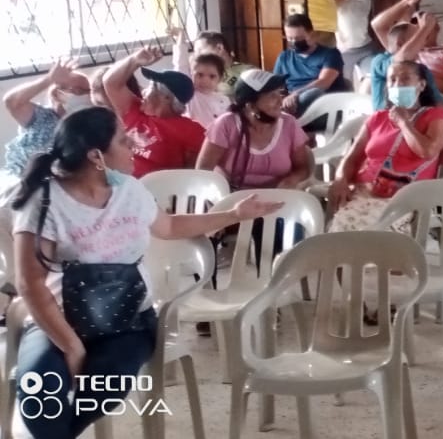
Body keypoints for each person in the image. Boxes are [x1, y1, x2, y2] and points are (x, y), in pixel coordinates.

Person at [7, 106, 280, 439]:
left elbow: (170, 226)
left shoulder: (130, 191)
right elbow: (30, 283)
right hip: (59, 320)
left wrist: (234, 214)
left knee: (104, 386)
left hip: (128, 321)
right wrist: (71, 346)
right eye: (124, 140)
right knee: (39, 394)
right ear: (96, 156)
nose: (134, 146)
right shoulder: (45, 201)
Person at [326, 60, 443, 233]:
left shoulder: (435, 115)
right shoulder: (377, 118)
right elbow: (352, 156)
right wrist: (340, 179)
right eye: (392, 80)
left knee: (365, 232)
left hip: (403, 198)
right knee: (339, 229)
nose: (397, 84)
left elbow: (428, 151)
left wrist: (404, 123)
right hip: (364, 191)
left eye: (405, 79)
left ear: (421, 85)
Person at [194, 70, 312, 189]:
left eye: (279, 93)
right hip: (233, 195)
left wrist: (291, 180)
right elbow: (203, 171)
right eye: (272, 96)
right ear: (250, 105)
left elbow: (302, 168)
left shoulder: (289, 124)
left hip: (278, 195)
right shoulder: (226, 124)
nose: (280, 101)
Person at [100, 47, 206, 177]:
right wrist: (135, 60)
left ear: (166, 98)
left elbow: (203, 165)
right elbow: (110, 83)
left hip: (156, 186)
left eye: (151, 87)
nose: (143, 91)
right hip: (122, 182)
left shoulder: (190, 129)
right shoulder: (134, 109)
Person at [3, 59, 92, 189]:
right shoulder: (41, 117)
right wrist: (49, 79)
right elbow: (12, 102)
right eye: (77, 90)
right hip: (20, 183)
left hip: (60, 189)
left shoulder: (90, 127)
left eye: (86, 91)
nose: (86, 95)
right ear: (57, 93)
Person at [368, 0, 443, 111]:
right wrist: (425, 27)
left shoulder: (422, 70)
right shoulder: (380, 62)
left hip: (420, 120)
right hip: (385, 120)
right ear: (401, 43)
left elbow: (438, 106)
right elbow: (402, 59)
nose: (421, 43)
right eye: (416, 38)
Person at [273, 14, 347, 119]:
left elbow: (324, 82)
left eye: (299, 38)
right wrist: (283, 99)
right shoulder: (284, 57)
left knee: (313, 93)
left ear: (312, 35)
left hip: (324, 106)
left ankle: (285, 119)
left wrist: (296, 94)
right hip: (291, 104)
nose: (294, 42)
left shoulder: (330, 54)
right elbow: (275, 86)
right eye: (290, 38)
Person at [190, 32, 256, 98]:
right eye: (195, 52)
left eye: (200, 50)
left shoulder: (248, 71)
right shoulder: (196, 73)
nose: (197, 55)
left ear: (219, 48)